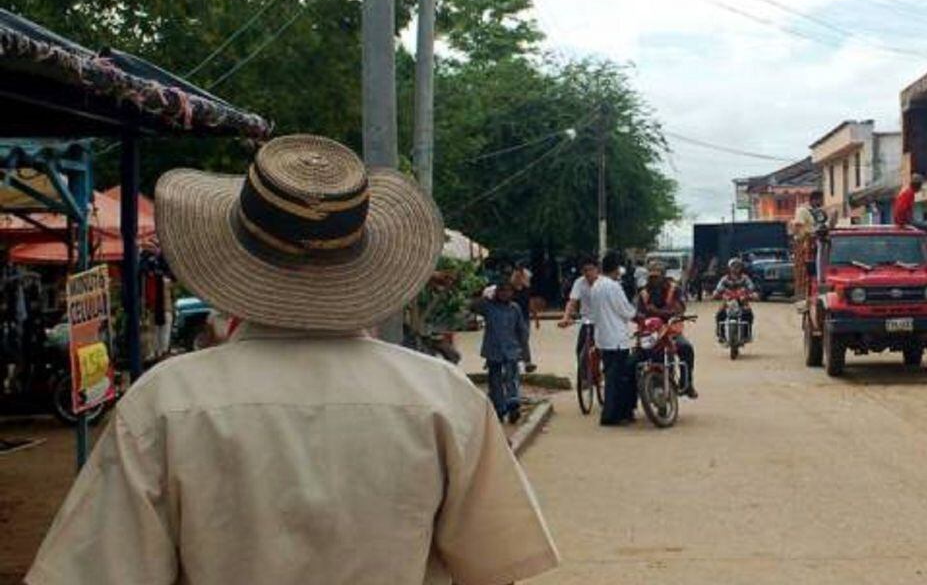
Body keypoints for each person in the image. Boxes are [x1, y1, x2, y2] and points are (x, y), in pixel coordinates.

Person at [25, 135, 558, 585]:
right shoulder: (443, 399)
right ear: (365, 264)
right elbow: (493, 569)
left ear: (235, 256)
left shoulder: (165, 404)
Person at [471, 279, 532, 424]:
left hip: (511, 349)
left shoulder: (515, 308)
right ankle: (499, 407)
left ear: (512, 293)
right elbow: (473, 306)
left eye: (508, 291)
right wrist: (484, 295)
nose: (505, 294)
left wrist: (526, 355)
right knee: (495, 381)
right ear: (496, 292)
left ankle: (513, 405)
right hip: (493, 350)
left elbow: (522, 331)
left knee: (512, 378)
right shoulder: (488, 307)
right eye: (502, 291)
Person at [636, 261, 697, 399]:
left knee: (686, 348)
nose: (654, 280)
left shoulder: (674, 290)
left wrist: (657, 312)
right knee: (634, 358)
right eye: (651, 277)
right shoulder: (643, 293)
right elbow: (639, 312)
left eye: (657, 277)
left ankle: (687, 383)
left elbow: (679, 309)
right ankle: (635, 391)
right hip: (650, 333)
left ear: (663, 276)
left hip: (670, 331)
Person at [592, 251, 639, 426]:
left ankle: (614, 412)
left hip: (603, 338)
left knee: (611, 376)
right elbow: (625, 310)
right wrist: (637, 315)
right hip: (617, 338)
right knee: (618, 378)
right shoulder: (613, 287)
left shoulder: (596, 285)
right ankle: (613, 414)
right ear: (616, 269)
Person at [558, 256, 600, 366]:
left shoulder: (604, 283)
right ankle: (583, 376)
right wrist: (566, 318)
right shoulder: (579, 282)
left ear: (597, 269)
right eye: (585, 270)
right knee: (581, 351)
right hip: (586, 321)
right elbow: (572, 301)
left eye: (591, 269)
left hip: (602, 322)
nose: (588, 273)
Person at [791, 190, 831, 298]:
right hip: (806, 244)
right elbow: (797, 227)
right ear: (814, 199)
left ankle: (815, 292)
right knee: (805, 271)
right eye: (820, 200)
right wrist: (804, 238)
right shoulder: (802, 210)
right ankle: (803, 295)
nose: (822, 203)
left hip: (818, 243)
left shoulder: (819, 212)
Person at [715, 258, 757, 340]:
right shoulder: (725, 279)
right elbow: (718, 288)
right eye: (733, 266)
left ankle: (747, 334)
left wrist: (750, 294)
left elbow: (751, 287)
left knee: (748, 313)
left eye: (737, 266)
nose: (735, 268)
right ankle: (721, 334)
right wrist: (719, 293)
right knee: (720, 313)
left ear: (741, 268)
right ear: (729, 267)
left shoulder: (745, 278)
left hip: (741, 300)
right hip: (728, 300)